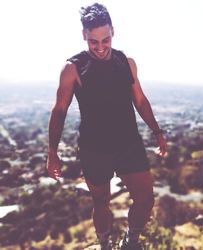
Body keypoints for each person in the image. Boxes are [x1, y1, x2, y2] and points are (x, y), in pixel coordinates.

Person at [46, 2, 167, 250]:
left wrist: (158, 132)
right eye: (93, 42)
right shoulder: (73, 68)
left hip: (129, 144)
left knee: (145, 198)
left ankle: (131, 241)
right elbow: (59, 110)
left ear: (113, 32)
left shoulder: (126, 62)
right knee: (101, 202)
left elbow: (140, 101)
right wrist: (52, 152)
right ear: (84, 36)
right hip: (94, 148)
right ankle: (104, 244)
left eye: (106, 40)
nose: (100, 48)